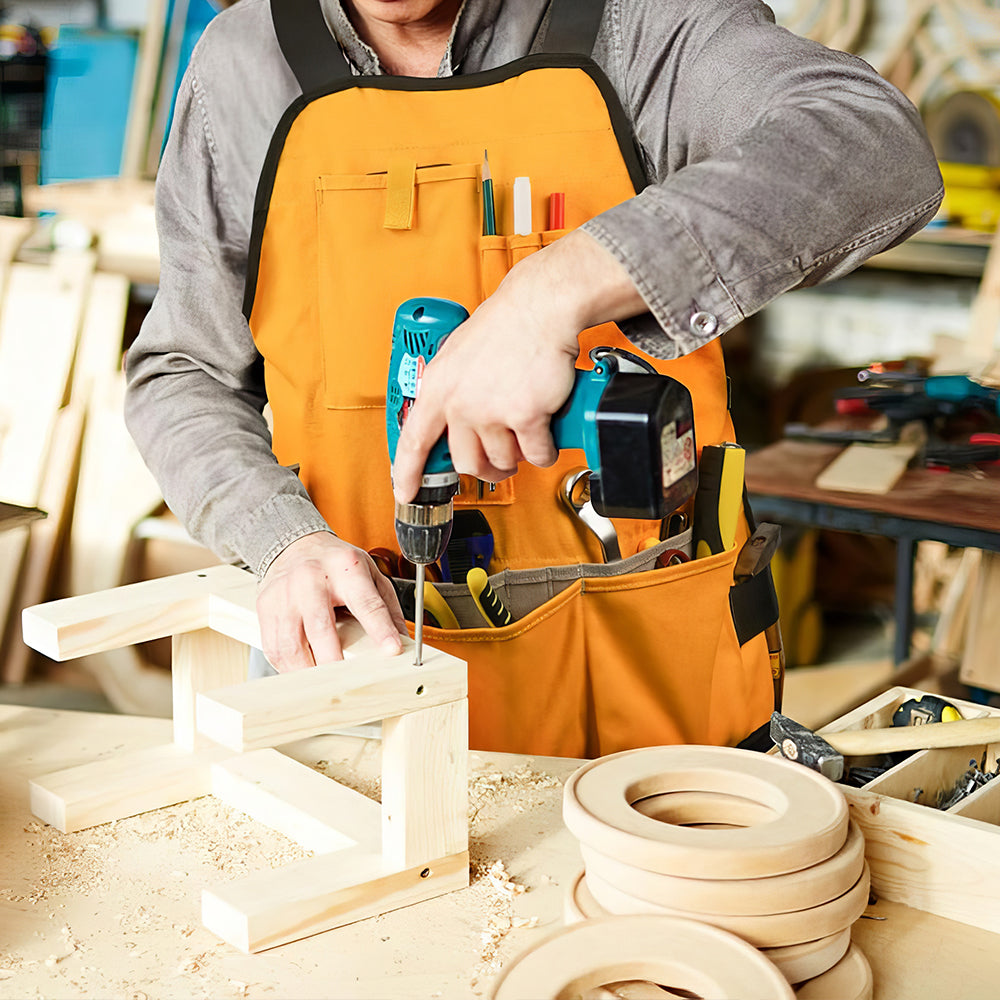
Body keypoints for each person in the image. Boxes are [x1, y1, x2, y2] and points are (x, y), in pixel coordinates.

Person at [125, 0, 943, 756]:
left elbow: (873, 142)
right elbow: (181, 369)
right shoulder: (240, 65)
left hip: (661, 687)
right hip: (363, 690)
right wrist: (281, 539)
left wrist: (558, 287)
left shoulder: (641, 22)